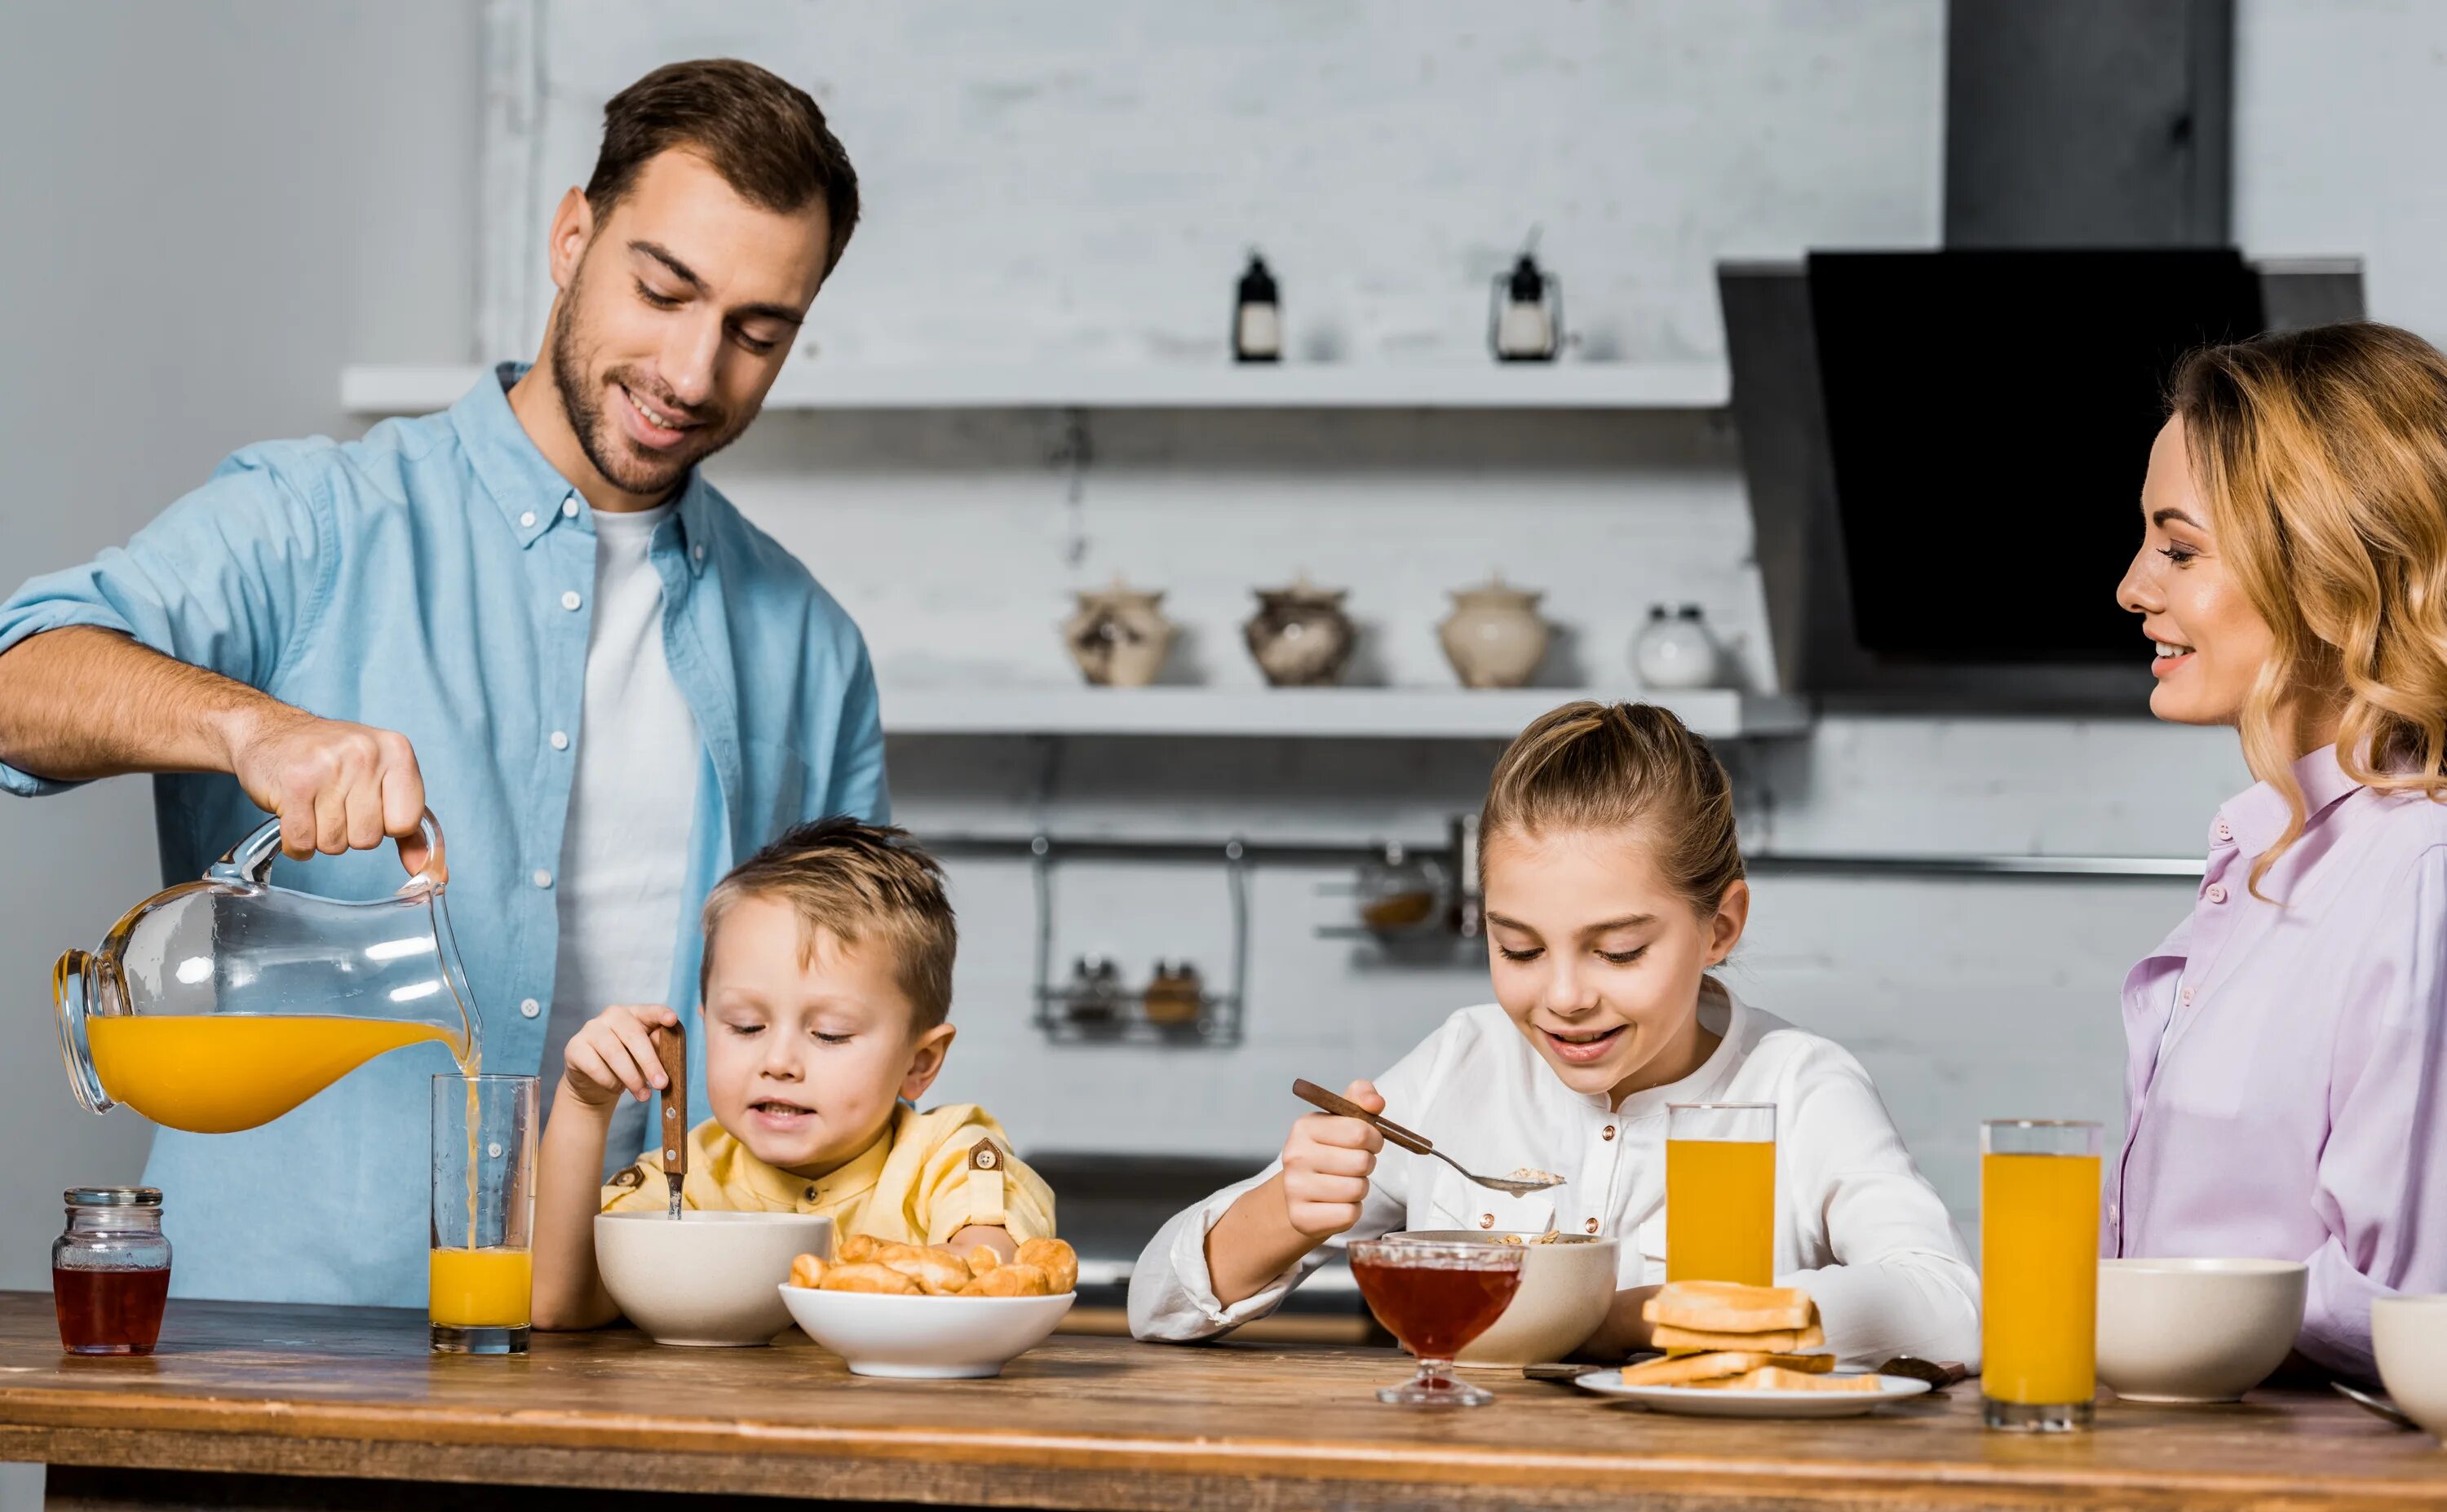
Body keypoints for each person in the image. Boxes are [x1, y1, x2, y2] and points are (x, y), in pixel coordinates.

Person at [0, 60, 884, 1308]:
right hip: (271, 1345)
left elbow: (857, 1020)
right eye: (662, 288)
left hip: (643, 1361)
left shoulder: (814, 650)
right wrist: (251, 729)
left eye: (757, 331)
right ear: (571, 236)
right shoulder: (319, 519)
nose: (694, 372)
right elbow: (17, 678)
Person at [1131, 701, 1979, 1367]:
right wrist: (1287, 1209)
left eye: (1618, 950)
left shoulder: (1799, 1086)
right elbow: (1152, 1305)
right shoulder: (1462, 1062)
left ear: (1721, 926)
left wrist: (1634, 1318)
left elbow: (1948, 1307)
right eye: (1520, 947)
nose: (1564, 996)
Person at [2112, 321, 2447, 1512]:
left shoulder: (2417, 871)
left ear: (2327, 567)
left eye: (2180, 548)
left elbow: (2420, 1307)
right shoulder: (2264, 856)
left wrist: (2138, 1302)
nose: (2135, 586)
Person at [532, 820, 1053, 1329]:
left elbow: (990, 1272)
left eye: (829, 1034)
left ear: (919, 1064)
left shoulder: (949, 1158)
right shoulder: (686, 1180)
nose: (778, 1062)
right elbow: (557, 1304)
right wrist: (584, 1105)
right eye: (746, 1025)